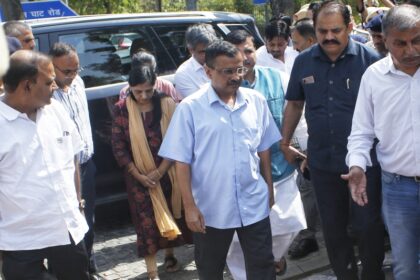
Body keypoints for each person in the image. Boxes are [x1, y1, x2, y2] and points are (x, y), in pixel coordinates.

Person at [280, 1, 385, 279]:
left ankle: (373, 275)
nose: (328, 37)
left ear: (350, 27)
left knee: (367, 227)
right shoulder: (303, 61)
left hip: (366, 165)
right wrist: (284, 141)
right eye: (322, 30)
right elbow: (294, 103)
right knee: (334, 230)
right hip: (323, 164)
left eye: (335, 30)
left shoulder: (371, 61)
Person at [159, 40, 280, 280]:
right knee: (211, 269)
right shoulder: (190, 109)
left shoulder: (255, 101)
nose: (235, 77)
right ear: (208, 71)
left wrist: (269, 188)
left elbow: (264, 148)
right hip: (211, 209)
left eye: (240, 69)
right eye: (228, 71)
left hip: (253, 202)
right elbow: (181, 161)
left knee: (263, 267)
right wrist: (189, 206)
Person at [343, 5, 420, 280]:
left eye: (417, 40)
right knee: (406, 267)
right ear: (384, 40)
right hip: (398, 190)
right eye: (401, 43)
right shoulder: (374, 77)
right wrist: (357, 166)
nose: (410, 50)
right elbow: (361, 132)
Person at [0, 50, 89, 279]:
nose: (56, 86)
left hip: (67, 232)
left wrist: (77, 203)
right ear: (27, 85)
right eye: (49, 82)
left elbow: (72, 159)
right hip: (21, 241)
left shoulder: (55, 110)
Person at [225, 30, 306, 278]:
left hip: (280, 169)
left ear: (256, 51)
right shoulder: (220, 87)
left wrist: (304, 152)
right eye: (236, 52)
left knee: (288, 225)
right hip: (239, 178)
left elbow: (297, 117)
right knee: (237, 242)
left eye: (248, 50)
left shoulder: (277, 79)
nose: (244, 58)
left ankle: (272, 258)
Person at [112, 65, 188, 280]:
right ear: (130, 88)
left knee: (173, 214)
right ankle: (152, 272)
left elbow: (179, 140)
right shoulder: (121, 109)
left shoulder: (167, 104)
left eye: (148, 90)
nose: (143, 96)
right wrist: (140, 176)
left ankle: (171, 255)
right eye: (138, 92)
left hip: (169, 171)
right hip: (138, 178)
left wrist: (161, 170)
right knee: (146, 224)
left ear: (155, 85)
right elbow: (118, 147)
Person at [49, 42, 100, 280]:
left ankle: (88, 267)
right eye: (66, 71)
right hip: (63, 172)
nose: (72, 76)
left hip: (86, 165)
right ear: (52, 68)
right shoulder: (46, 96)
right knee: (68, 229)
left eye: (76, 69)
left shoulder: (78, 83)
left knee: (87, 221)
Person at [288, 19, 321, 260]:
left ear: (310, 41)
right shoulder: (301, 62)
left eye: (297, 44)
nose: (293, 48)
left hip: (334, 145)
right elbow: (295, 104)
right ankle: (309, 236)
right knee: (307, 188)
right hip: (306, 142)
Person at [174, 24, 218, 99]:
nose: (208, 55)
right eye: (203, 52)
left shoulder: (225, 63)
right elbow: (198, 104)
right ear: (191, 50)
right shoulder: (183, 74)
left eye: (211, 50)